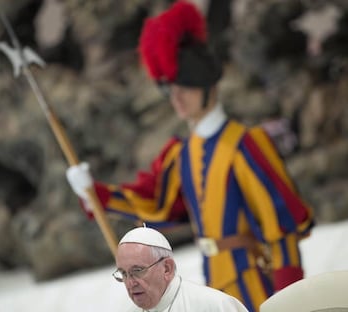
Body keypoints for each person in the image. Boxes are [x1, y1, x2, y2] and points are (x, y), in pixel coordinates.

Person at [66, 1, 315, 311]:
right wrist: (95, 193)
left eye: (185, 86)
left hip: (254, 281)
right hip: (211, 281)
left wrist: (289, 300)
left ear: (206, 84)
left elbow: (281, 231)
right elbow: (158, 203)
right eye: (170, 88)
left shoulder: (245, 145)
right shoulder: (182, 154)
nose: (177, 98)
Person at [114, 226, 249, 311]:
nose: (130, 283)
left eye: (137, 271)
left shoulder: (214, 306)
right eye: (123, 274)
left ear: (167, 268)